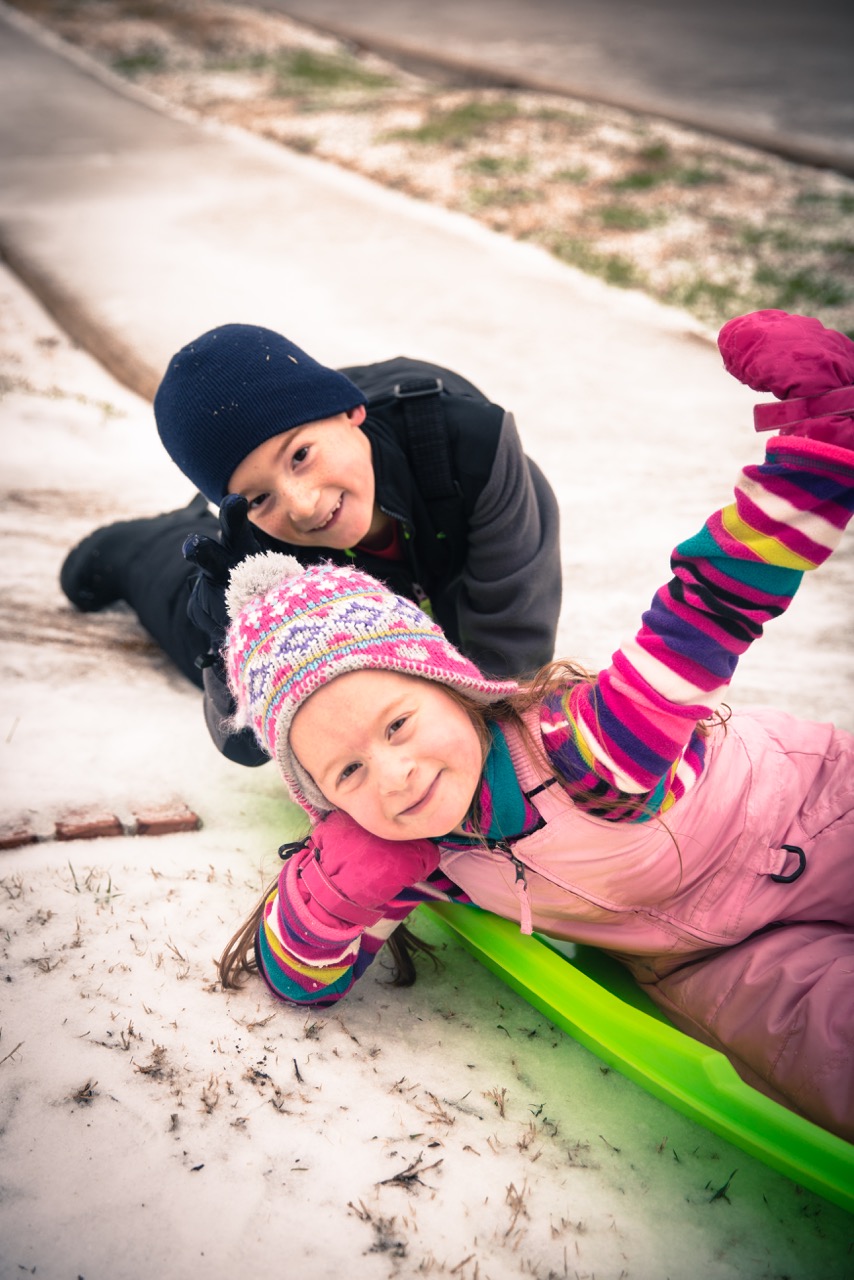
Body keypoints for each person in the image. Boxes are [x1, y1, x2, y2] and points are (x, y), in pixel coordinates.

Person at [216, 309, 854, 1141]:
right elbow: (302, 978)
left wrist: (821, 452)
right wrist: (340, 879)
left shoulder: (589, 748)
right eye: (347, 774)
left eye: (399, 725)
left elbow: (716, 600)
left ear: (456, 688)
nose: (394, 775)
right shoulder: (419, 849)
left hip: (817, 816)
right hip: (706, 957)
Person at [59, 325, 561, 765]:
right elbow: (247, 741)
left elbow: (513, 659)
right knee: (193, 601)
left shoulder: (471, 448)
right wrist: (228, 630)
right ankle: (144, 543)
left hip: (429, 526)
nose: (301, 505)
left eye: (299, 456)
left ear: (349, 412)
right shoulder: (264, 545)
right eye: (258, 496)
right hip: (255, 560)